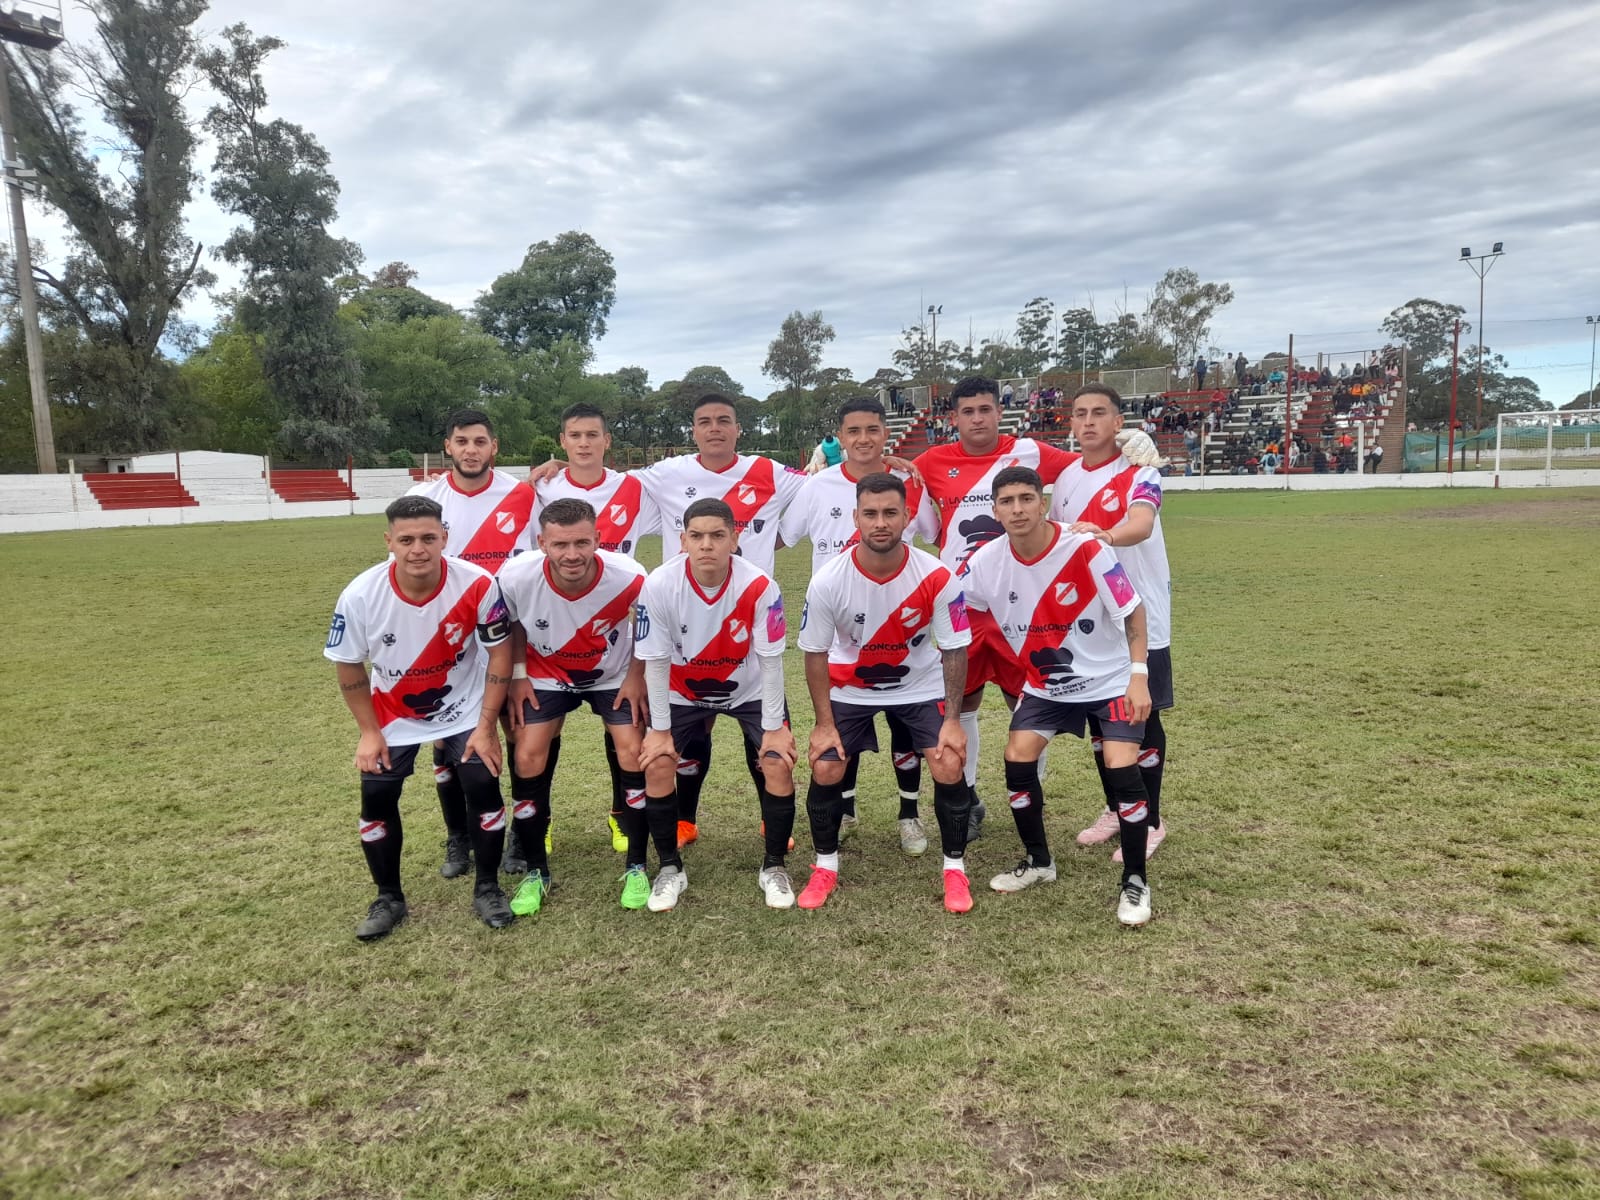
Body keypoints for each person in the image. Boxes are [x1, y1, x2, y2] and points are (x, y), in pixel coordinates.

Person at [911, 376, 1159, 834]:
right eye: (968, 411)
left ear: (999, 411)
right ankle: (967, 800)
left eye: (986, 409)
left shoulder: (1031, 452)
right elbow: (895, 486)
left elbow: (1094, 456)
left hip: (1022, 605)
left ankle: (1032, 799)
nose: (978, 419)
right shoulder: (930, 461)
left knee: (1026, 699)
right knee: (960, 700)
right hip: (965, 600)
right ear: (954, 418)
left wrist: (1134, 441)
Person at [961, 467, 1154, 926]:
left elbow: (1133, 611)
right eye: (1007, 501)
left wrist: (1139, 676)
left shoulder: (1086, 547)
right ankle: (1039, 861)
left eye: (1027, 498)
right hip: (1046, 686)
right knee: (1017, 758)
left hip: (1109, 680)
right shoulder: (984, 562)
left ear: (1043, 503)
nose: (1018, 509)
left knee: (1121, 767)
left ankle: (1135, 880)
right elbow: (957, 610)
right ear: (995, 511)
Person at [325, 495, 518, 941]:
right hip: (393, 713)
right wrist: (369, 732)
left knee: (482, 782)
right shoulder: (360, 594)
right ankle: (388, 897)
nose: (418, 549)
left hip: (465, 707)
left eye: (429, 538)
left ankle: (488, 887)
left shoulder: (478, 583)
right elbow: (348, 664)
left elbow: (499, 653)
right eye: (407, 539)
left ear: (444, 538)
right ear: (389, 541)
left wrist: (486, 727)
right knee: (376, 796)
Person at [796, 473, 974, 913]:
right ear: (855, 517)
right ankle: (825, 866)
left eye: (890, 513)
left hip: (919, 684)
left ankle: (955, 870)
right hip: (850, 687)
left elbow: (955, 648)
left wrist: (953, 720)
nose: (880, 523)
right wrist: (823, 724)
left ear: (907, 516)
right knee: (826, 765)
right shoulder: (828, 580)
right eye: (871, 514)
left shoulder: (936, 574)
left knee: (948, 761)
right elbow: (814, 654)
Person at [779, 396, 931, 855]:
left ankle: (909, 815)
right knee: (846, 735)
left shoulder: (908, 483)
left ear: (886, 433)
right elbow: (782, 537)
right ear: (840, 437)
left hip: (901, 631)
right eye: (853, 431)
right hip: (840, 637)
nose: (863, 439)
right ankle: (844, 809)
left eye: (872, 430)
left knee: (906, 733)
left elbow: (932, 534)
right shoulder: (817, 486)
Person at [633, 498, 798, 910]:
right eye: (697, 536)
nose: (706, 544)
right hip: (681, 691)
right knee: (657, 762)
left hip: (749, 689)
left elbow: (771, 660)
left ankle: (774, 868)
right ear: (683, 541)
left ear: (734, 540)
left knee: (777, 760)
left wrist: (775, 728)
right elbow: (655, 661)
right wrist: (659, 730)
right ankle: (670, 869)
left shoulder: (760, 585)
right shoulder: (659, 584)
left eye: (717, 535)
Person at [495, 499, 649, 915]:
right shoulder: (515, 575)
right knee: (527, 754)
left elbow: (648, 626)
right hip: (546, 673)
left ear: (598, 539)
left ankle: (637, 865)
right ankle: (536, 871)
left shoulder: (630, 576)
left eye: (582, 543)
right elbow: (512, 624)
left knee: (633, 749)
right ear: (541, 542)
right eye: (560, 544)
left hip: (612, 675)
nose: (572, 554)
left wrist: (635, 676)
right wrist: (519, 675)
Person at [1046, 384, 1174, 869]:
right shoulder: (1066, 479)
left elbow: (1141, 524)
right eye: (1080, 413)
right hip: (1089, 622)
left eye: (1099, 412)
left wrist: (1106, 535)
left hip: (1141, 616)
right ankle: (1119, 808)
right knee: (1103, 720)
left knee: (1141, 718)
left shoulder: (1142, 471)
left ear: (1118, 422)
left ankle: (1152, 820)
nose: (1089, 421)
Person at [406, 409, 537, 881]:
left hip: (509, 636)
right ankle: (458, 835)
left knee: (517, 733)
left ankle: (522, 835)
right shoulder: (425, 499)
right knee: (446, 741)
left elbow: (533, 570)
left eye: (480, 441)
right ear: (448, 446)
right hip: (451, 640)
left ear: (494, 446)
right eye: (462, 441)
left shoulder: (522, 495)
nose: (471, 450)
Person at [532, 403, 663, 856]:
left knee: (623, 726)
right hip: (555, 626)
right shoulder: (541, 487)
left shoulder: (635, 487)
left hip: (615, 627)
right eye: (575, 436)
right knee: (539, 731)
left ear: (607, 441)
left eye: (593, 435)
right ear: (562, 441)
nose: (584, 443)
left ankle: (621, 813)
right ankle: (537, 822)